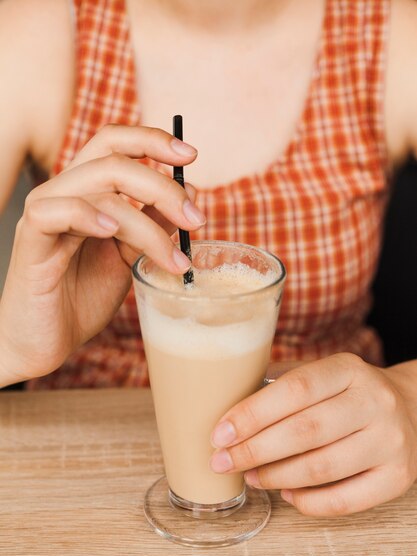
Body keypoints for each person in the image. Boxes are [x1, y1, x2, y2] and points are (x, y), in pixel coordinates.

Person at [1, 0, 417, 517]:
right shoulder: (33, 34)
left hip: (324, 497)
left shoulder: (396, 35)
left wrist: (411, 400)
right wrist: (10, 348)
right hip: (74, 502)